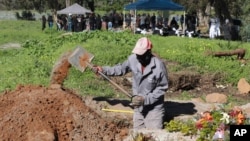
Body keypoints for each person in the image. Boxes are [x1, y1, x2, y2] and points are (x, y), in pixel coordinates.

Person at [93, 37, 169, 129]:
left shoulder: (158, 67)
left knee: (153, 135)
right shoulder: (133, 59)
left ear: (149, 52)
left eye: (141, 55)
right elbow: (120, 69)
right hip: (138, 107)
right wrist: (103, 70)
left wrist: (145, 99)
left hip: (154, 109)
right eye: (137, 55)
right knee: (137, 135)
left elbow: (162, 88)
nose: (139, 58)